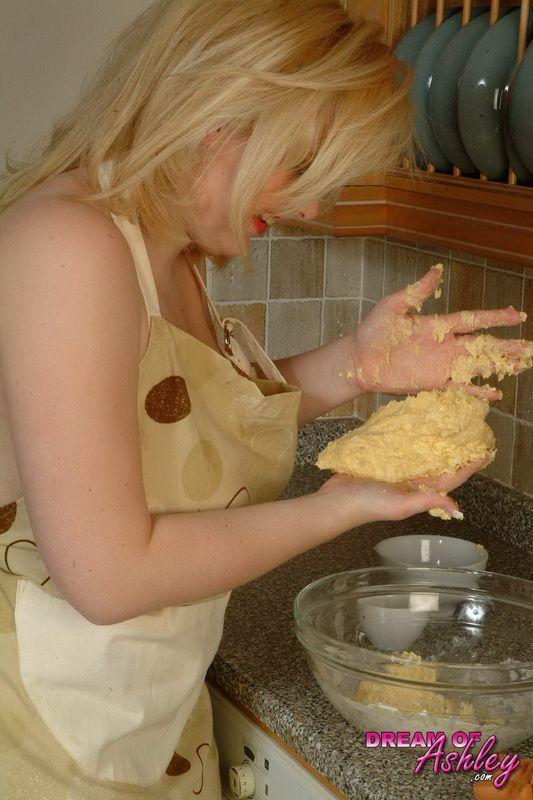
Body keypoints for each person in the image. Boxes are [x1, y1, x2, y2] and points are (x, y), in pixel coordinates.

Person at [0, 1, 530, 797]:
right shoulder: (66, 247)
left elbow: (179, 418)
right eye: (300, 169)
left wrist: (352, 365)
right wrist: (346, 503)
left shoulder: (163, 247)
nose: (309, 208)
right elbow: (106, 576)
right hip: (41, 737)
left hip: (137, 715)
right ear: (216, 116)